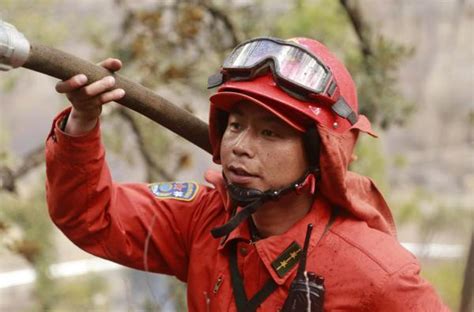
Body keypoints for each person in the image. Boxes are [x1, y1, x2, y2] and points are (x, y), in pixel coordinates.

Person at [46, 37, 449, 311]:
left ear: (319, 154)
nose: (239, 146)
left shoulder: (377, 274)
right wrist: (83, 120)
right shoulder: (204, 219)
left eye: (270, 132)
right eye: (235, 125)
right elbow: (91, 216)